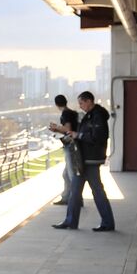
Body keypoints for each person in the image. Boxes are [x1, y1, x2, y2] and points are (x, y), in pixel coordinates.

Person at [54, 91, 117, 232]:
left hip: (91, 159)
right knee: (75, 191)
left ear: (89, 101)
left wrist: (78, 135)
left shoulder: (98, 115)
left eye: (82, 103)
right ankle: (70, 221)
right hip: (84, 159)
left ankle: (107, 222)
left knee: (97, 191)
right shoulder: (90, 115)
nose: (80, 106)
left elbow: (98, 137)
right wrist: (74, 135)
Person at [46, 93, 80, 206]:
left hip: (70, 145)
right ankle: (66, 197)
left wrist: (56, 128)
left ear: (56, 104)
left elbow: (67, 129)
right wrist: (58, 129)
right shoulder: (72, 113)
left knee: (71, 174)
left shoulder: (66, 114)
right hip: (74, 145)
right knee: (66, 174)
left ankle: (75, 200)